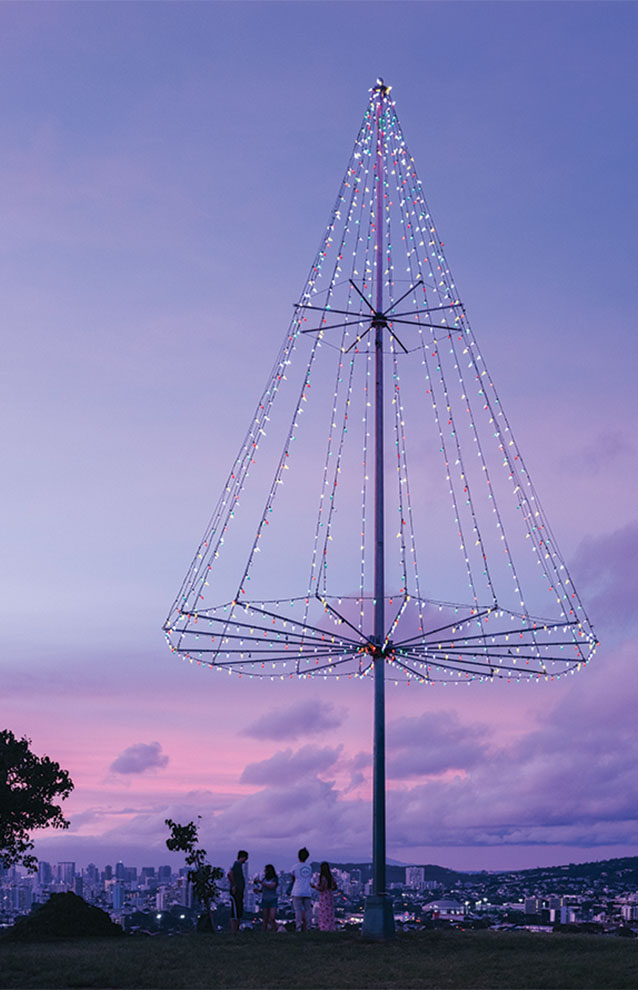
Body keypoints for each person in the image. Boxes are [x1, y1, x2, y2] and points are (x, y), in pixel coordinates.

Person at [290, 846, 312, 931]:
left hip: (297, 891)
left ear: (298, 856)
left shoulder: (295, 867)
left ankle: (298, 928)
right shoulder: (309, 867)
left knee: (298, 911)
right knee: (308, 910)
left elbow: (293, 878)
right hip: (307, 891)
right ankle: (308, 927)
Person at [312, 861, 337, 931]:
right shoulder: (331, 877)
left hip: (323, 896)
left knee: (323, 912)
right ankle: (330, 927)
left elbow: (321, 889)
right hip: (330, 895)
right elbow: (335, 887)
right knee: (329, 912)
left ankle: (324, 927)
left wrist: (314, 886)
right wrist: (330, 889)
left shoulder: (322, 878)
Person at [227, 849, 248, 933]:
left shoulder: (237, 865)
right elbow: (229, 874)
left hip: (239, 890)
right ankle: (234, 929)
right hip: (237, 891)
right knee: (236, 910)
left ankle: (236, 929)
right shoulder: (237, 865)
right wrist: (234, 885)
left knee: (238, 909)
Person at [255, 863, 278, 931]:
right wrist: (258, 891)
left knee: (272, 918)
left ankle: (275, 930)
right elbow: (263, 889)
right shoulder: (264, 879)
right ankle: (264, 932)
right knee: (265, 918)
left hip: (273, 899)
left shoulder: (274, 879)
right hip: (265, 899)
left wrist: (261, 882)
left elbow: (271, 886)